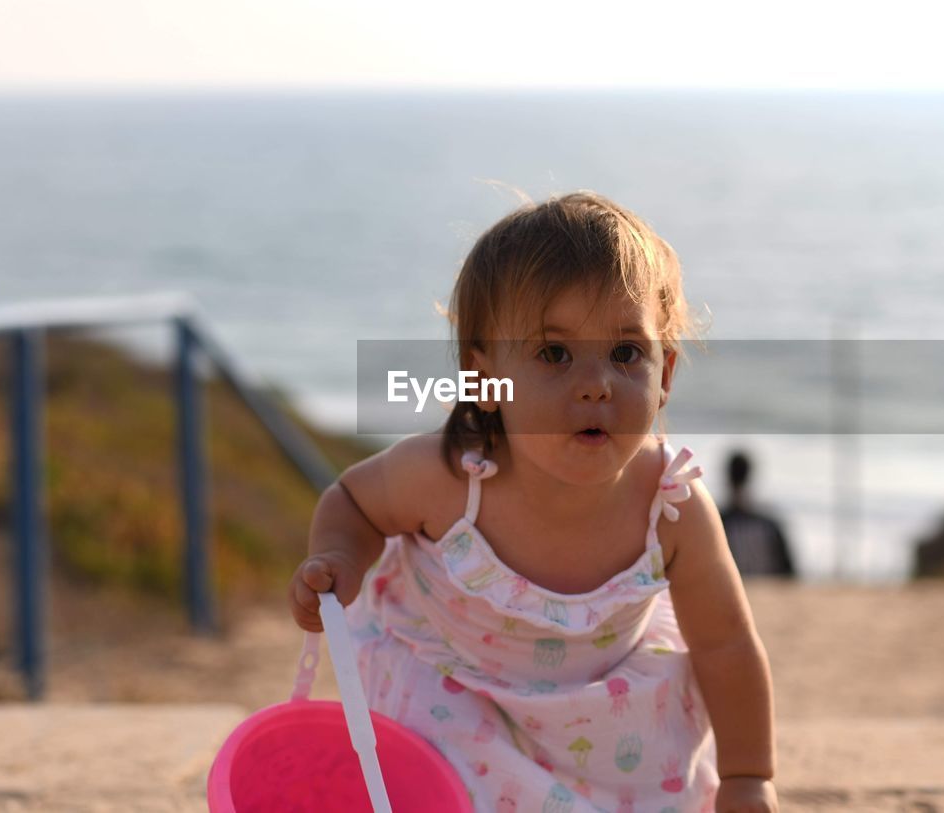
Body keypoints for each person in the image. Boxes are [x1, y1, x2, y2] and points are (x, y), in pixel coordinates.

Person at [289, 192, 779, 813]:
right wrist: (339, 558)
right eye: (554, 353)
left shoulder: (671, 506)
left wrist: (747, 776)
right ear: (482, 380)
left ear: (667, 374)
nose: (596, 385)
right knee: (436, 778)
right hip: (455, 687)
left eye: (626, 353)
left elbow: (726, 645)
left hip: (602, 711)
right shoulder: (451, 476)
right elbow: (354, 502)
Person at [719, 452, 796, 578]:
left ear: (728, 479)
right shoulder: (770, 524)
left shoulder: (717, 523)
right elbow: (789, 573)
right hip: (769, 592)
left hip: (731, 593)